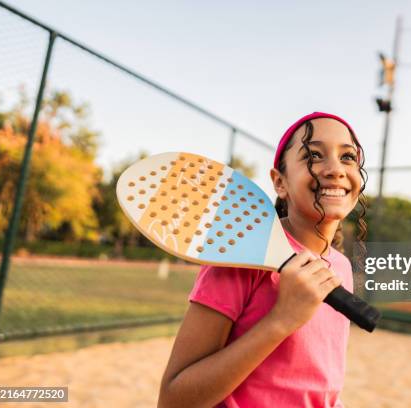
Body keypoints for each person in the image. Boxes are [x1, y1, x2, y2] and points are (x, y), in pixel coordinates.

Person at [157, 112, 367, 408]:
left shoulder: (341, 266)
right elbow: (173, 400)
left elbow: (321, 383)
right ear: (279, 182)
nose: (335, 168)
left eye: (348, 157)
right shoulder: (241, 256)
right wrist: (282, 319)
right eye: (314, 155)